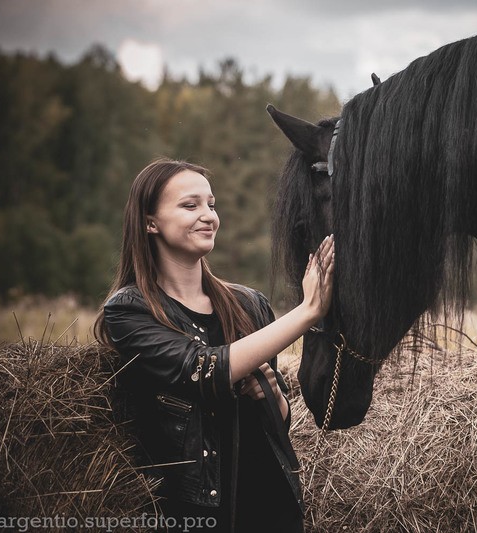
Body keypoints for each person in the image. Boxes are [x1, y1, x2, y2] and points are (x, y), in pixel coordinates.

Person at [93, 157, 334, 532]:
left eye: (211, 204)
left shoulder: (249, 304)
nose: (208, 215)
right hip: (198, 514)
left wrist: (274, 398)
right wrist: (307, 312)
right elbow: (202, 369)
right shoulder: (129, 310)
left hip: (273, 506)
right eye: (190, 205)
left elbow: (280, 424)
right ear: (149, 221)